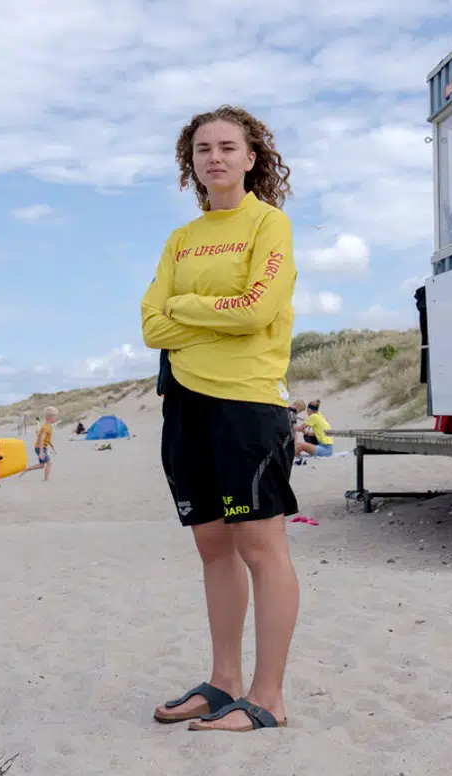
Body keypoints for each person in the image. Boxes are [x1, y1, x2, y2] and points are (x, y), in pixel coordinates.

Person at [141, 105, 299, 733]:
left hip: (246, 402)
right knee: (212, 546)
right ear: (192, 163)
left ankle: (269, 696)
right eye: (203, 148)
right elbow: (151, 322)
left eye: (229, 147)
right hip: (185, 402)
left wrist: (187, 303)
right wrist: (206, 308)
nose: (216, 157)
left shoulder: (269, 224)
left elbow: (256, 313)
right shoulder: (180, 239)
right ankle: (225, 680)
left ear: (251, 157)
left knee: (260, 546)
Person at [28, 406, 57, 481]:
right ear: (50, 417)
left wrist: (51, 445)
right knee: (49, 463)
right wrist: (41, 452)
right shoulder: (46, 427)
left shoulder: (48, 427)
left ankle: (26, 469)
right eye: (55, 416)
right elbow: (41, 439)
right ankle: (46, 480)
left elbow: (46, 439)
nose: (56, 418)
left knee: (41, 465)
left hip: (40, 447)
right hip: (40, 448)